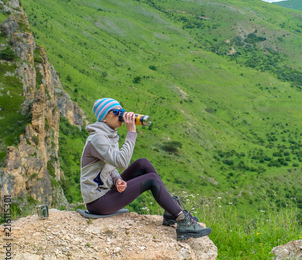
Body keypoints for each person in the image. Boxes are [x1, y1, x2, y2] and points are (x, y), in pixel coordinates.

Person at [80, 98, 211, 240]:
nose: (121, 115)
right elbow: (121, 162)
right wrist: (131, 133)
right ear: (104, 118)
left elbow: (110, 167)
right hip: (98, 201)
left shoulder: (110, 135)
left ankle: (171, 210)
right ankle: (182, 220)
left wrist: (117, 179)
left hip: (107, 191)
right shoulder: (97, 138)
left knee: (143, 164)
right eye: (116, 112)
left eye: (121, 111)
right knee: (151, 180)